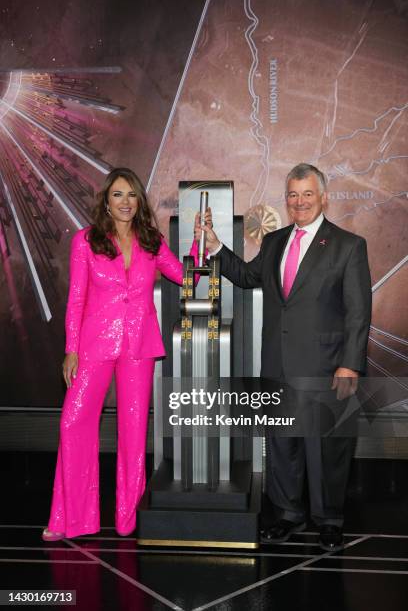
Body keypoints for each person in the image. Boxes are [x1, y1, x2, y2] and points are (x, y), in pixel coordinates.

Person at [197, 163, 372, 551]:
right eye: (293, 194)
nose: (299, 202)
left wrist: (350, 363)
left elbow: (359, 313)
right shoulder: (275, 241)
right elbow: (245, 276)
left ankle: (329, 520)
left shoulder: (348, 245)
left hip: (327, 367)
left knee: (326, 447)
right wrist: (214, 245)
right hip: (277, 364)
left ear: (323, 197)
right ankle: (289, 514)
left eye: (307, 194)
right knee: (283, 444)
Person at [43, 168, 202, 541]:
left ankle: (128, 518)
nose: (126, 202)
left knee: (134, 432)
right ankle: (70, 519)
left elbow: (186, 276)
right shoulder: (86, 240)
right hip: (93, 345)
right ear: (106, 200)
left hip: (139, 346)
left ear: (139, 201)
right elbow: (77, 299)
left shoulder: (151, 241)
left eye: (131, 195)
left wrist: (198, 243)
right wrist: (71, 350)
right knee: (73, 423)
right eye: (118, 195)